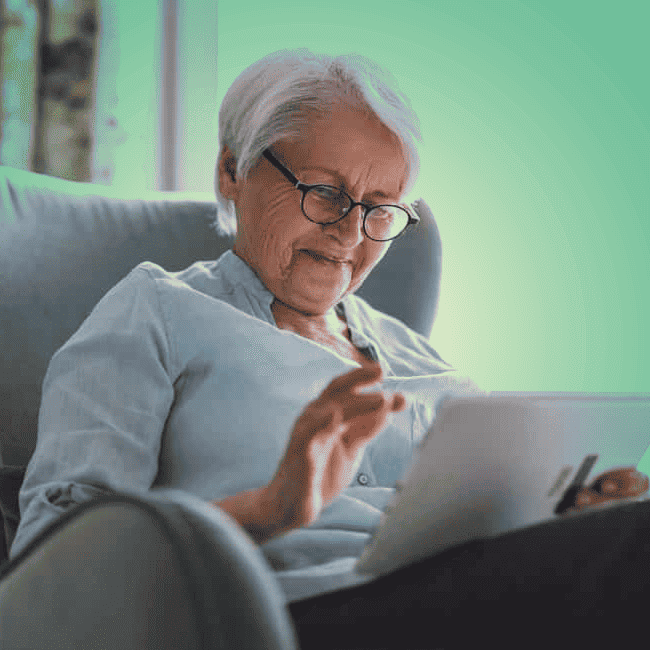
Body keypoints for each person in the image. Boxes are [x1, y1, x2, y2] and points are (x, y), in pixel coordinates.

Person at [9, 49, 650, 649]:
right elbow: (55, 562)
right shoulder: (160, 311)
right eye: (323, 192)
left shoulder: (431, 369)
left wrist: (566, 518)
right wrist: (264, 511)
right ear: (232, 172)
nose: (350, 232)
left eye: (380, 208)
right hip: (285, 621)